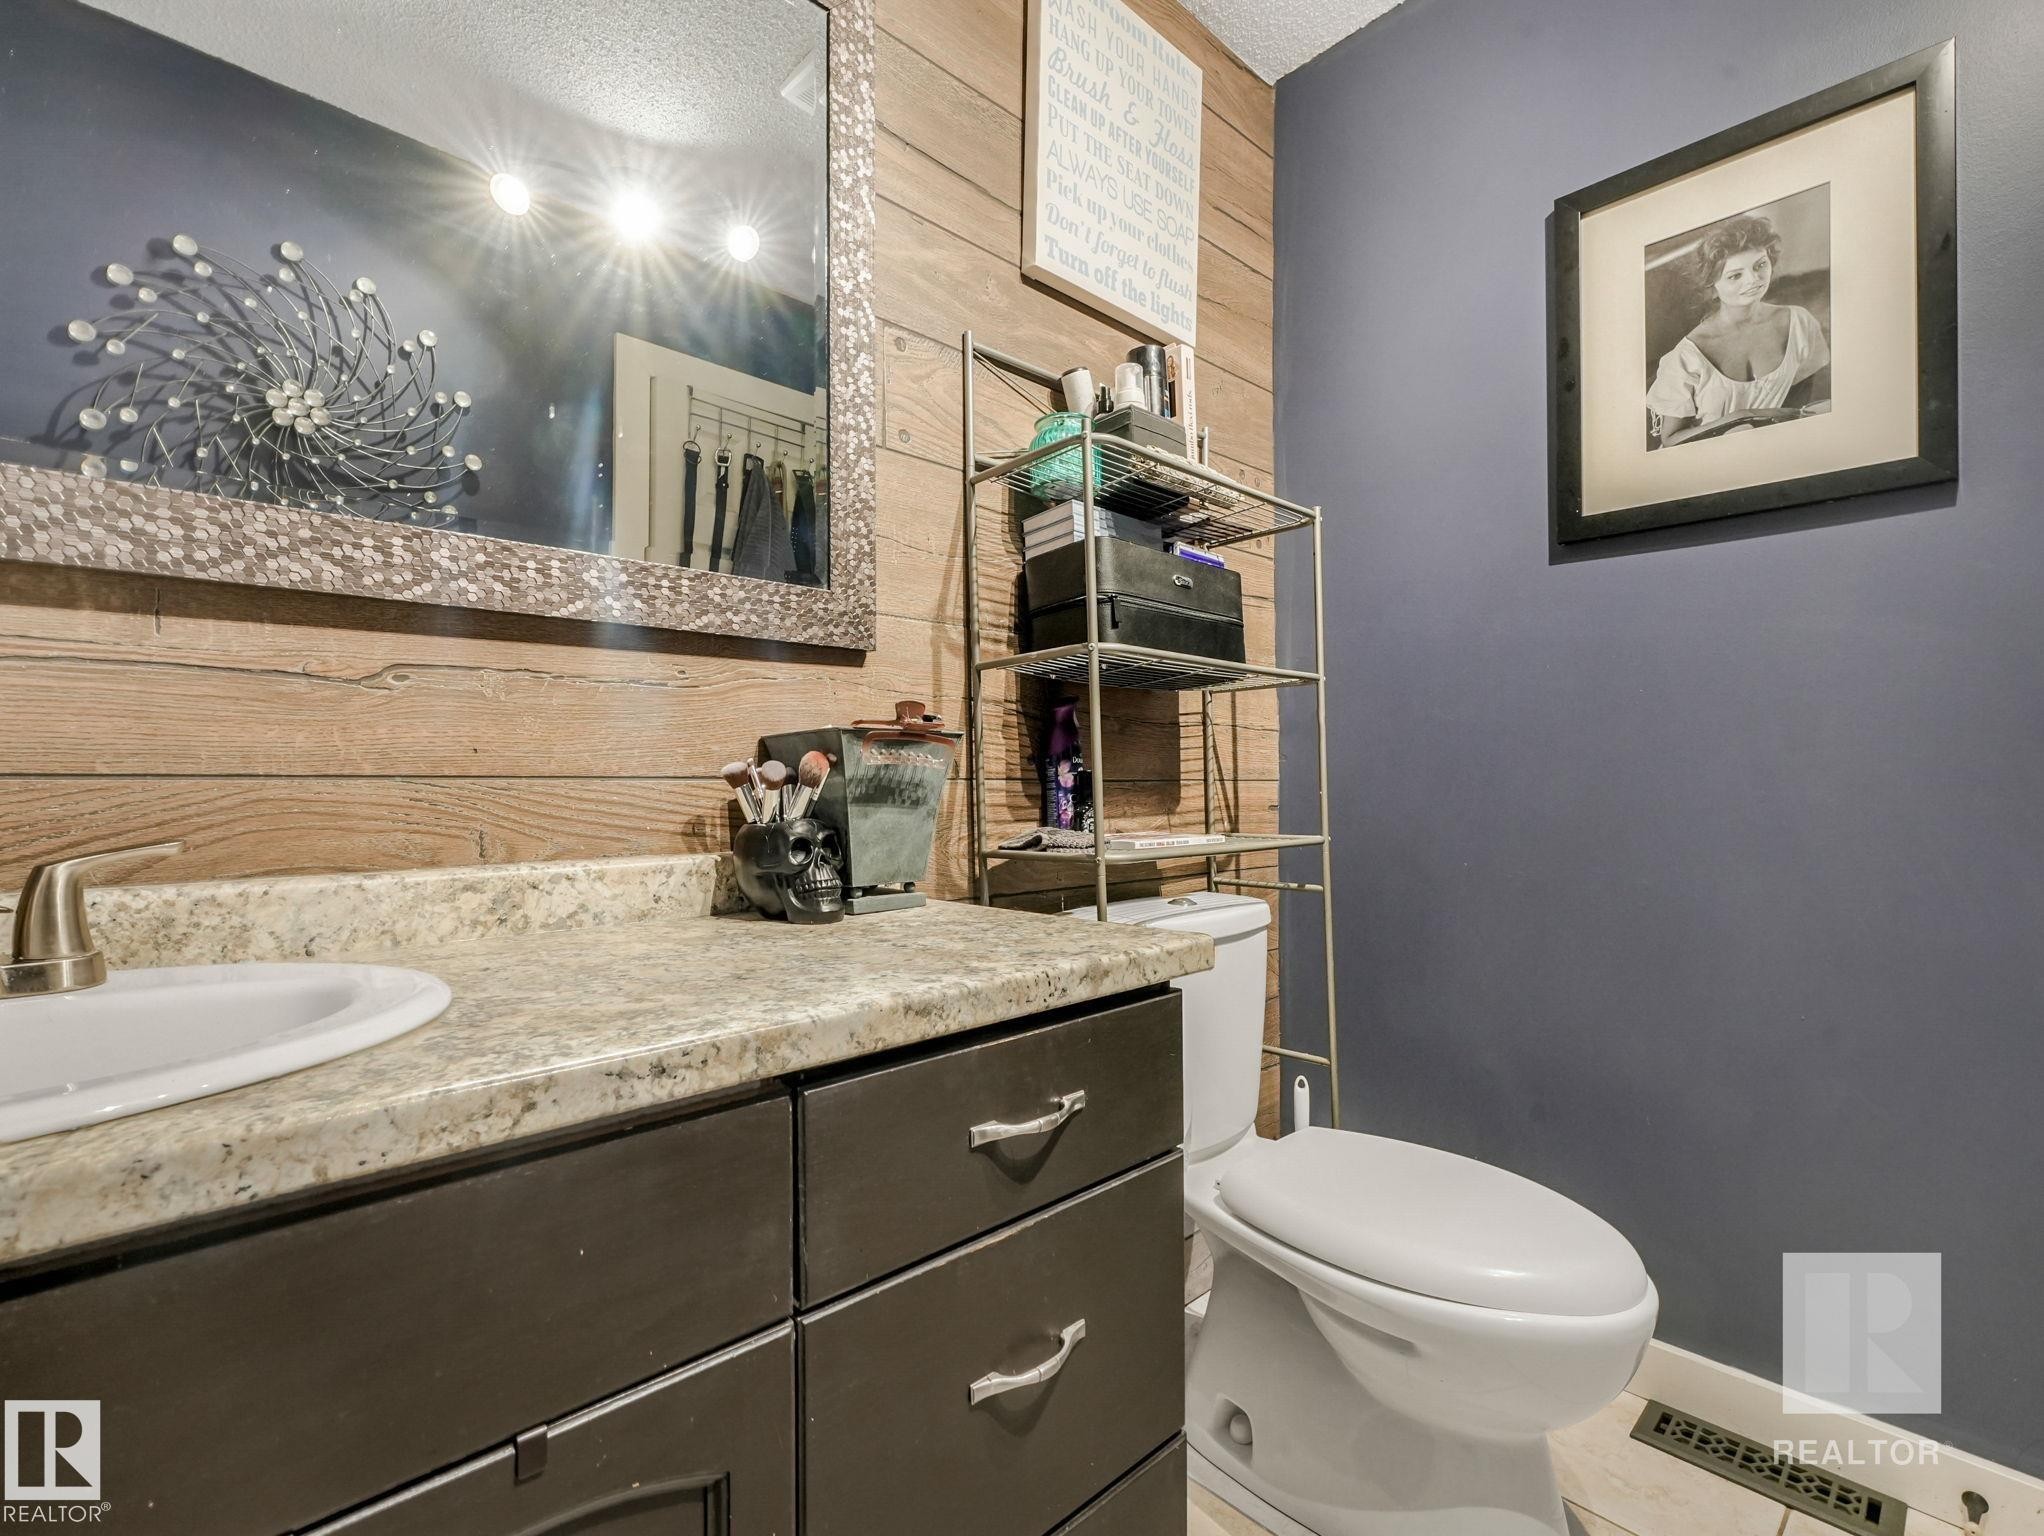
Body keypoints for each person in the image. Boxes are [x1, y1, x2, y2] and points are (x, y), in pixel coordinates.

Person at [1647, 213, 1830, 446]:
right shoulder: (1685, 357)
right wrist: (1739, 418)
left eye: (1760, 265)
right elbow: (1671, 440)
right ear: (1711, 287)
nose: (1753, 280)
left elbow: (1797, 405)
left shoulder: (1799, 322)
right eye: (1735, 275)